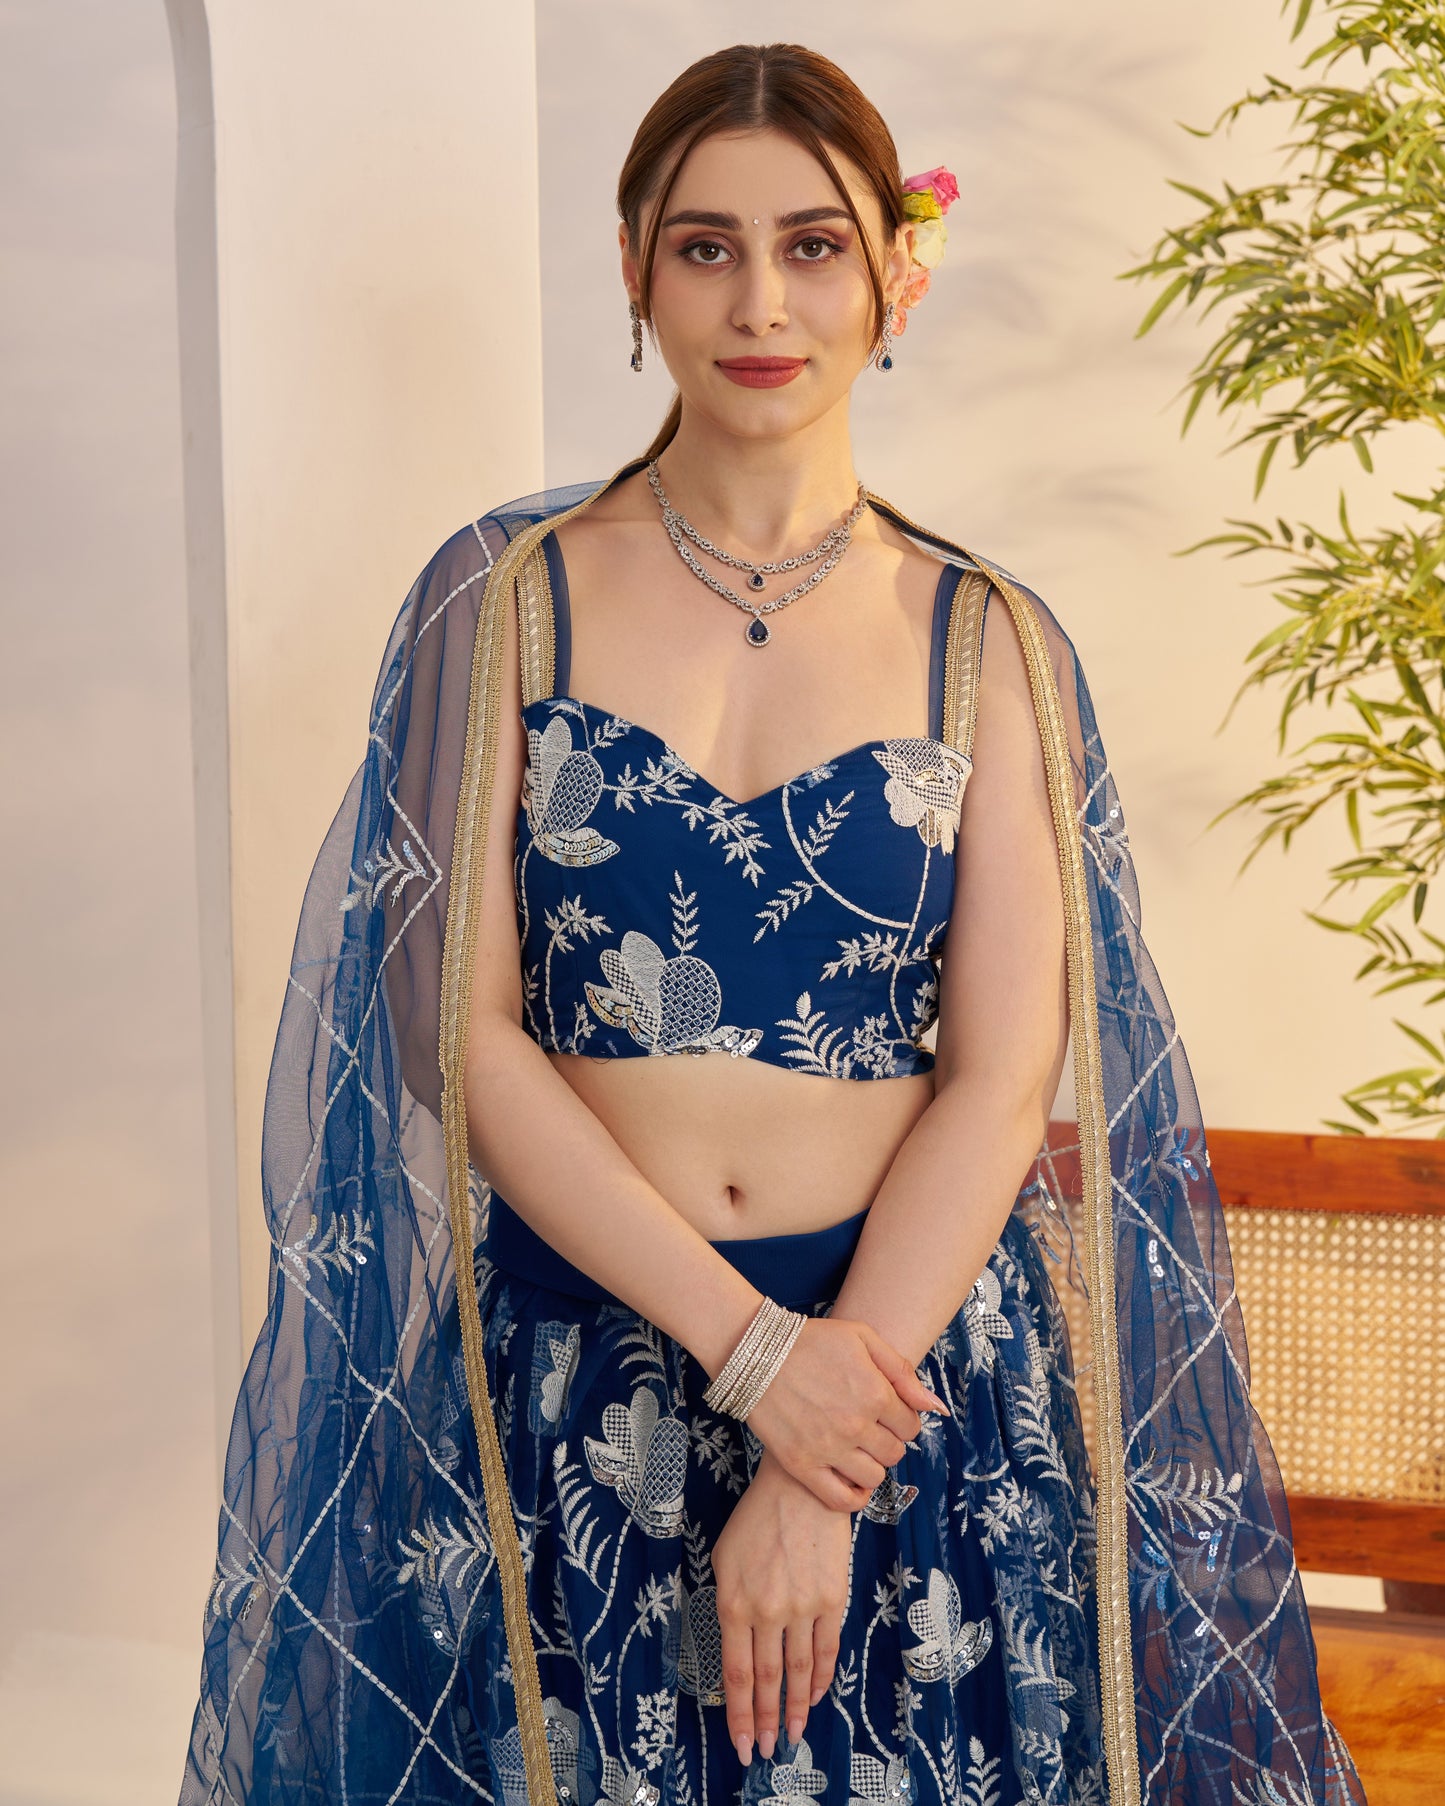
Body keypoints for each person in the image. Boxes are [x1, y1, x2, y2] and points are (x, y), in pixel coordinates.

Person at [179, 41, 1365, 1806]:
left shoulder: (987, 638)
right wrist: (746, 1359)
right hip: (579, 1371)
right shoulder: (504, 604)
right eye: (704, 245)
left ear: (896, 272)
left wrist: (819, 1455)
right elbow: (461, 1036)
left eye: (812, 246)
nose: (759, 300)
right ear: (635, 270)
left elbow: (996, 1069)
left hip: (899, 1381)